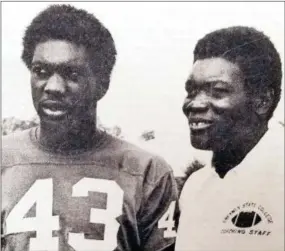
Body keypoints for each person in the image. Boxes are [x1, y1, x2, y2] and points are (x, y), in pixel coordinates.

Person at [2, 4, 178, 251]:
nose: (53, 86)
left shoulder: (147, 171)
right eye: (41, 71)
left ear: (102, 84)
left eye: (72, 74)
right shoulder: (4, 158)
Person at [175, 26, 284, 251]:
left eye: (217, 91)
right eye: (192, 91)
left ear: (263, 100)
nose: (195, 104)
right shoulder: (195, 187)